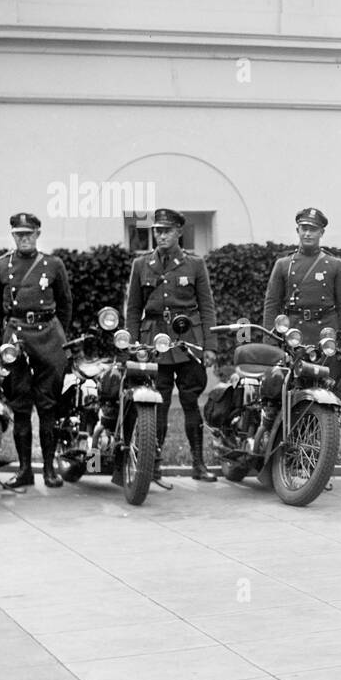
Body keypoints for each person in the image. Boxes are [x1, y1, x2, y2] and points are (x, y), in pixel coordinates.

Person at [124, 208, 218, 485]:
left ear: (179, 232)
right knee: (158, 404)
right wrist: (132, 343)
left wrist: (209, 346)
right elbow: (133, 309)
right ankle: (152, 465)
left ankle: (199, 464)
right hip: (154, 341)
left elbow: (207, 306)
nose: (161, 235)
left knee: (191, 402)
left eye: (166, 230)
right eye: (157, 230)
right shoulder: (142, 265)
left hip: (188, 339)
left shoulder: (194, 264)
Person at [0, 212, 72, 489]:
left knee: (48, 407)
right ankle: (25, 471)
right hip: (17, 337)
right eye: (19, 234)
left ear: (37, 234)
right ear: (13, 236)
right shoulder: (0, 266)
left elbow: (65, 304)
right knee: (20, 406)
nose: (24, 238)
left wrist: (59, 336)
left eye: (29, 234)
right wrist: (6, 339)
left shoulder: (53, 264)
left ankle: (49, 470)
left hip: (48, 337)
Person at [262, 207, 341, 383]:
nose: (307, 234)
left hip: (326, 338)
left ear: (322, 232)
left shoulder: (335, 265)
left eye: (313, 229)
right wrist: (271, 341)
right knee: (290, 388)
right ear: (297, 231)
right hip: (294, 337)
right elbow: (271, 304)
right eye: (304, 229)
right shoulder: (284, 265)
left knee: (327, 389)